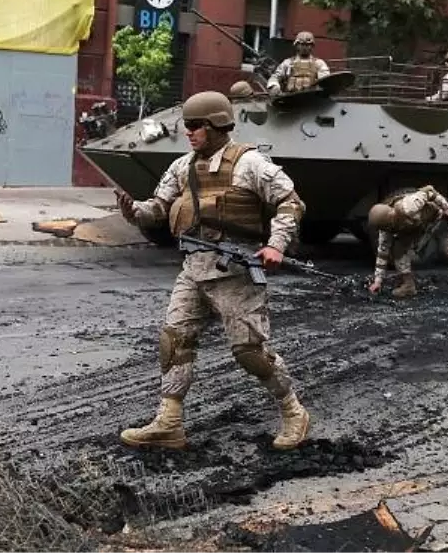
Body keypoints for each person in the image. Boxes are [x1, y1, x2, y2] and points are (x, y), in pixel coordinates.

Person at [115, 91, 311, 451]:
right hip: (194, 268)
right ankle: (169, 423)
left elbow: (290, 202)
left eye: (196, 126)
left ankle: (293, 411)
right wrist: (135, 212)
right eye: (187, 126)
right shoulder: (182, 166)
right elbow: (158, 208)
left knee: (250, 353)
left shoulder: (250, 164)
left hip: (235, 272)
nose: (189, 132)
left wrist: (276, 244)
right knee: (174, 342)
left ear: (218, 124)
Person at [366, 186, 448, 301]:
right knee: (397, 250)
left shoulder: (407, 206)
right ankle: (408, 286)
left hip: (436, 222)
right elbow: (382, 254)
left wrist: (447, 210)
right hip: (418, 231)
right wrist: (378, 281)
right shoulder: (386, 231)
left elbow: (429, 190)